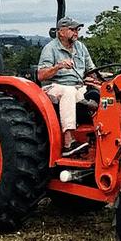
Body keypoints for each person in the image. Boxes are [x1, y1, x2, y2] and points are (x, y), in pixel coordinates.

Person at [37, 16, 98, 156]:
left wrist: (97, 79)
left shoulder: (81, 47)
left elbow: (91, 70)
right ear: (61, 32)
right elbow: (41, 75)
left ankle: (97, 136)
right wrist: (58, 66)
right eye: (72, 29)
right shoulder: (50, 48)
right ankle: (68, 142)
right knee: (69, 92)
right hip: (54, 86)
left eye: (78, 29)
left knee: (103, 95)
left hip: (78, 85)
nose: (76, 32)